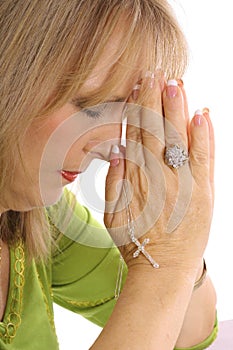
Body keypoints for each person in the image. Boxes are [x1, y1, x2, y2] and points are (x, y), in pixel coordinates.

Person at [0, 0, 218, 349]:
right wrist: (164, 270)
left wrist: (177, 248)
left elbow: (188, 331)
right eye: (91, 108)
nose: (107, 148)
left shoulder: (41, 221)